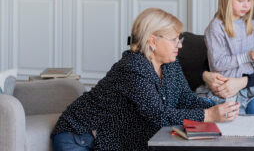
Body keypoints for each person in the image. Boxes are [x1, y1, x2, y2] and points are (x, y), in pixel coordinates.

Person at [51, 8, 238, 151]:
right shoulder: (133, 67)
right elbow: (160, 115)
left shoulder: (170, 64)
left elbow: (185, 99)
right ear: (153, 41)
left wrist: (218, 107)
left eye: (179, 39)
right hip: (79, 136)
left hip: (111, 137)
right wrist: (210, 115)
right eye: (174, 39)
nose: (179, 45)